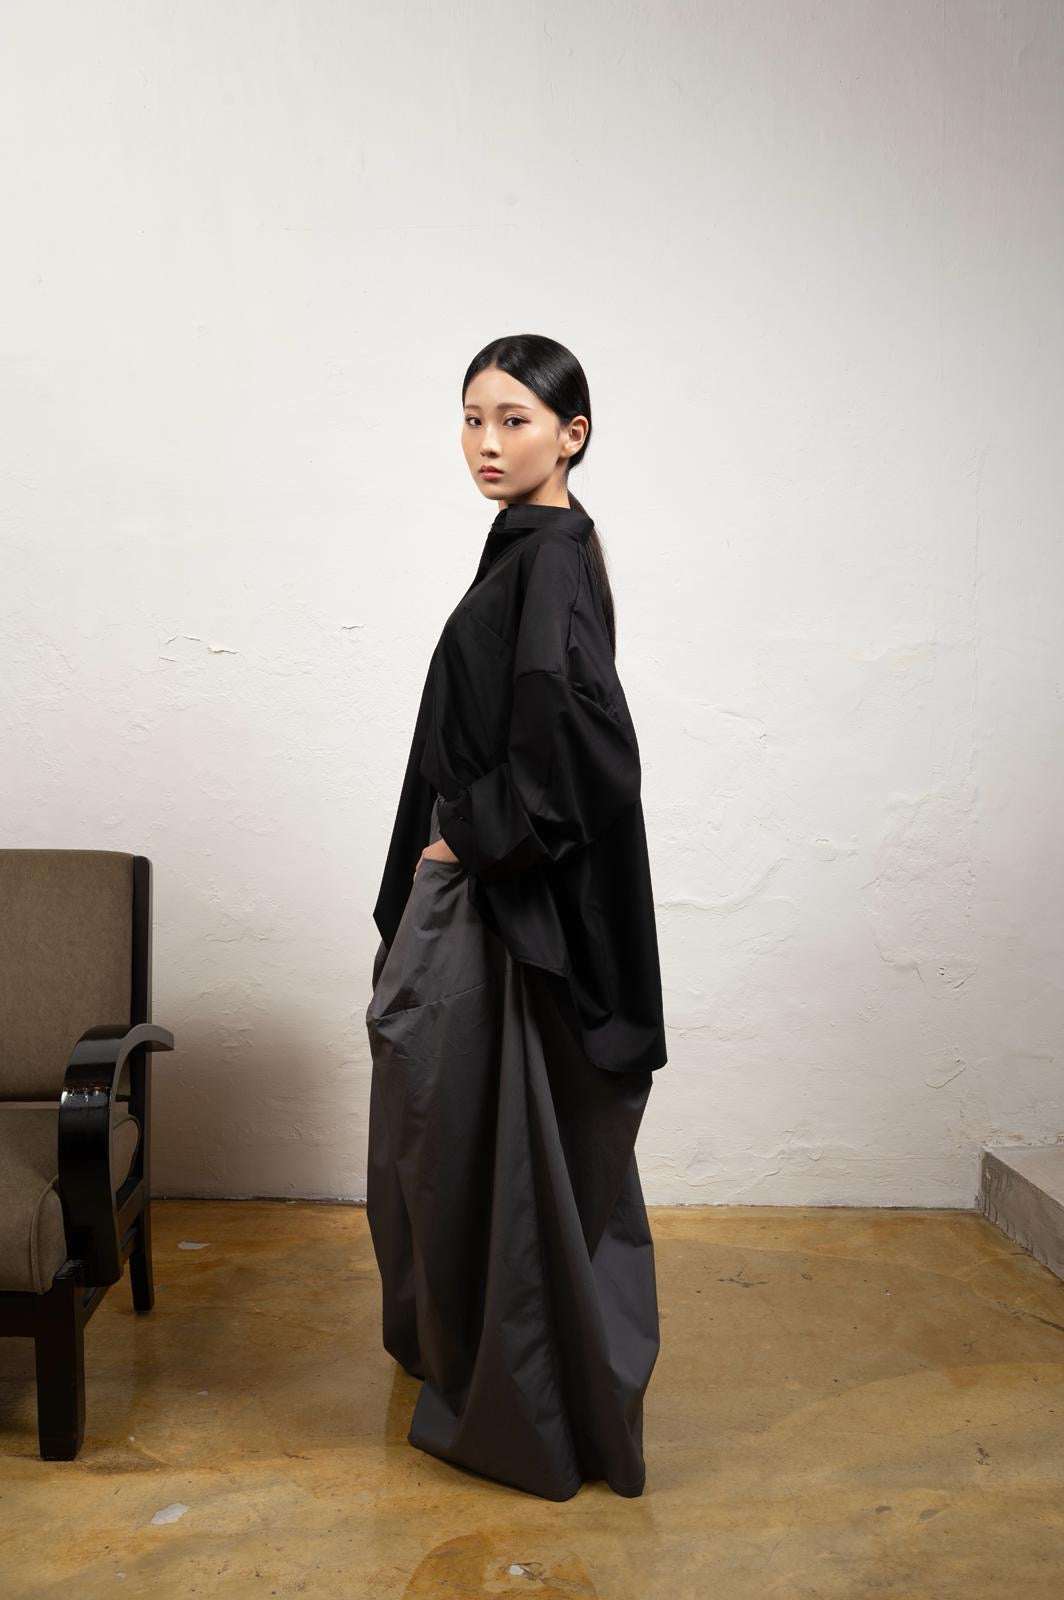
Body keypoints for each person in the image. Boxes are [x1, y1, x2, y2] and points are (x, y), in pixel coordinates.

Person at [365, 333, 667, 1501]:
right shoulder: (536, 544)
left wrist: (464, 835)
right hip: (492, 890)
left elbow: (581, 746)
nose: (485, 443)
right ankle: (491, 1365)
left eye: (514, 420)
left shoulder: (549, 556)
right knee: (455, 1134)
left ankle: (531, 1411)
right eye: (471, 418)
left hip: (502, 903)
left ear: (570, 435)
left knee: (482, 1141)